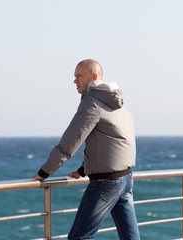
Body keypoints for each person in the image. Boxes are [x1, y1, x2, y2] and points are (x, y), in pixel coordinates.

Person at [31, 59, 140, 240]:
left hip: (106, 182)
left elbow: (70, 141)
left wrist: (44, 172)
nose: (75, 81)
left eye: (79, 76)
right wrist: (82, 170)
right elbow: (112, 139)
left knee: (78, 238)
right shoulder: (116, 102)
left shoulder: (93, 101)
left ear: (94, 77)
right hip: (125, 178)